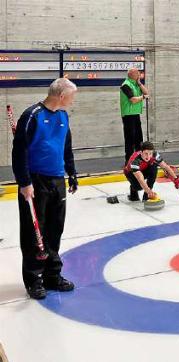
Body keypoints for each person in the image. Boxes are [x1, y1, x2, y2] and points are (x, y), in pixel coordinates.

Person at [11, 78, 79, 300]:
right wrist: (24, 182)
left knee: (54, 229)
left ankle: (52, 275)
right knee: (33, 233)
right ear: (61, 95)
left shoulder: (63, 115)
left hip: (57, 179)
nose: (73, 100)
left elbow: (65, 146)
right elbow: (19, 151)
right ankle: (33, 279)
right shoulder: (32, 115)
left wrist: (72, 172)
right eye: (72, 95)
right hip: (35, 181)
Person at [120, 68, 150, 163]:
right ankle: (128, 162)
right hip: (128, 116)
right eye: (137, 73)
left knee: (138, 139)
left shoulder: (136, 84)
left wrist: (140, 83)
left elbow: (146, 92)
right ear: (132, 74)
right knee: (130, 140)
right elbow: (132, 99)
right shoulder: (126, 85)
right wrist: (143, 97)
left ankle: (138, 160)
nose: (139, 74)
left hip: (136, 114)